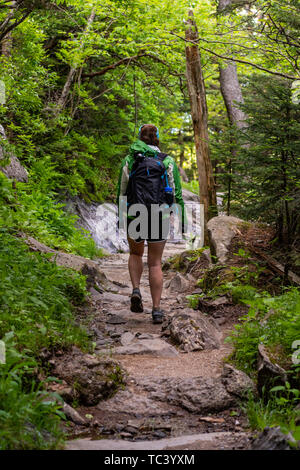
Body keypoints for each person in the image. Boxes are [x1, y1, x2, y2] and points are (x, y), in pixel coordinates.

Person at [116, 124, 186, 324]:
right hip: (159, 214)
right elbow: (176, 192)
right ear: (156, 139)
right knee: (155, 263)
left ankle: (136, 289)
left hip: (134, 213)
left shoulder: (130, 159)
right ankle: (156, 309)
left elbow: (121, 191)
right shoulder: (167, 161)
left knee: (135, 253)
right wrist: (178, 216)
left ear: (139, 137)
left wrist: (122, 216)